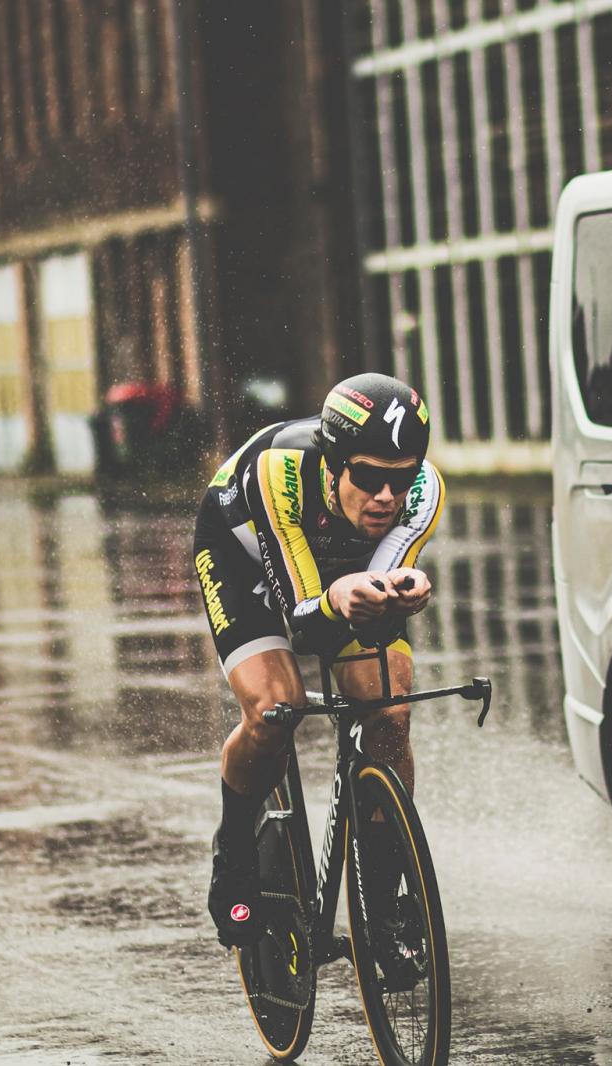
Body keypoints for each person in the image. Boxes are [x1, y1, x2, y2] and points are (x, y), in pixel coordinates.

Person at [192, 372, 444, 953]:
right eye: (369, 478)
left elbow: (381, 579)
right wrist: (338, 598)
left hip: (333, 573)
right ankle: (233, 853)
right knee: (277, 707)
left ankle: (381, 897)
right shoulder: (278, 471)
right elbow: (305, 624)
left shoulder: (425, 492)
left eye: (399, 480)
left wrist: (401, 590)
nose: (385, 496)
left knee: (389, 710)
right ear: (333, 464)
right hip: (246, 554)